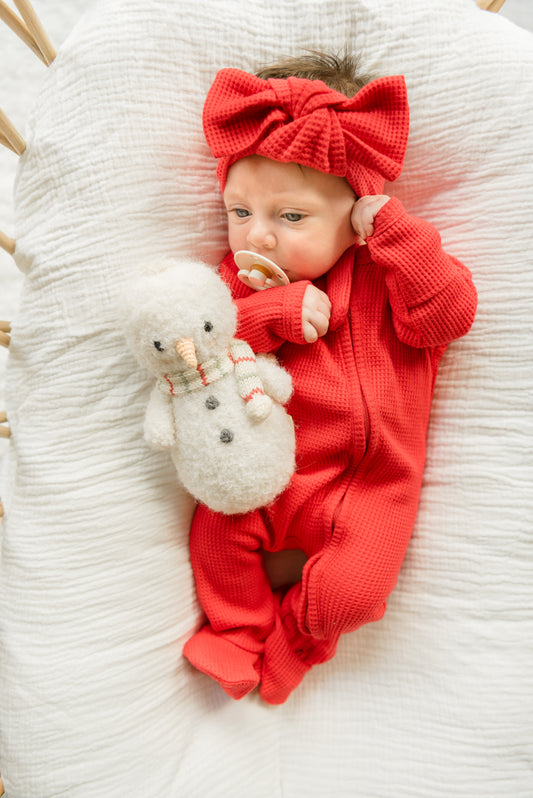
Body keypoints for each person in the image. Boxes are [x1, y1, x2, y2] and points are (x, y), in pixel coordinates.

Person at [183, 52, 477, 704]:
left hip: (376, 486)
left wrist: (394, 234)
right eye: (239, 212)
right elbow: (207, 348)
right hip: (269, 469)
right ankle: (236, 631)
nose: (255, 236)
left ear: (359, 211)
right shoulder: (244, 285)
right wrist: (273, 313)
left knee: (355, 592)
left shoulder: (394, 271)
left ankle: (295, 644)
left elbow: (448, 317)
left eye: (289, 218)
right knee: (215, 537)